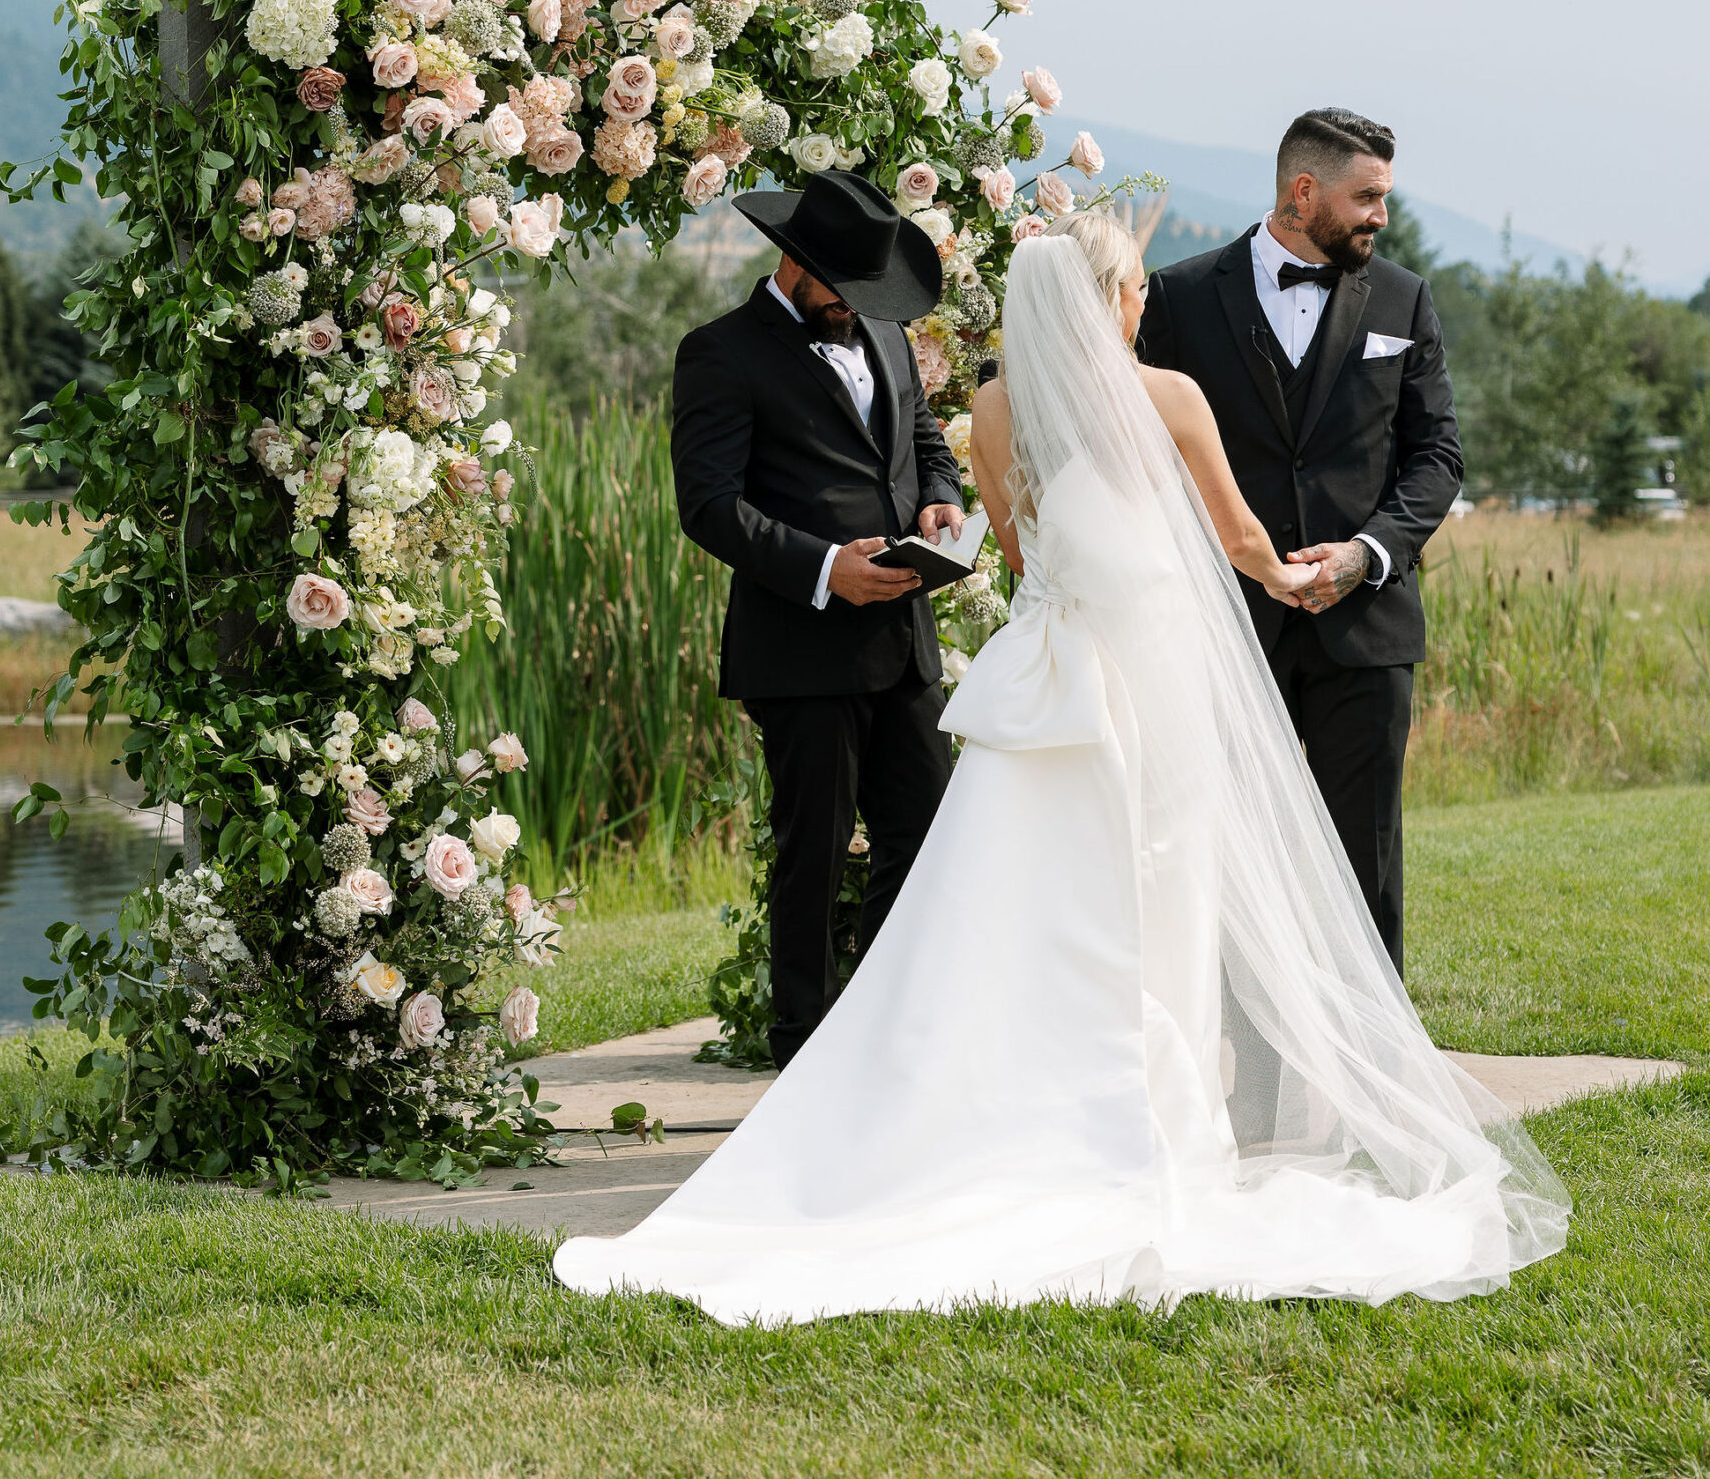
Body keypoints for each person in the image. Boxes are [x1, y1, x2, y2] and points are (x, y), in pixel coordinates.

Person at [553, 212, 1567, 1322]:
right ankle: (1150, 1130)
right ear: (1107, 296)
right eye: (1130, 285)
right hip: (1147, 682)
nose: (1141, 302)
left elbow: (1018, 547)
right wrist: (1301, 576)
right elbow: (1236, 540)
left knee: (1011, 906)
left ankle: (993, 1113)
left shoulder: (993, 406)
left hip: (1043, 680)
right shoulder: (1167, 396)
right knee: (1151, 899)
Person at [1137, 109, 1461, 975]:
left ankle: (1372, 1084)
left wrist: (1366, 554)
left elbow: (1436, 457)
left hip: (1367, 630)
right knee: (1233, 856)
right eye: (1367, 197)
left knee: (1367, 856)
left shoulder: (1404, 299)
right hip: (1229, 628)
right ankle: (1244, 1077)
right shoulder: (1176, 296)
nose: (1380, 217)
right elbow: (1143, 458)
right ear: (1302, 191)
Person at [667, 170, 966, 1069]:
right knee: (813, 852)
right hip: (798, 649)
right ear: (792, 262)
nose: (858, 305)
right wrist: (826, 569)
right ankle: (802, 1048)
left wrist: (940, 504)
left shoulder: (882, 330)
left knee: (925, 841)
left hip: (903, 642)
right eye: (842, 285)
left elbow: (921, 444)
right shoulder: (719, 352)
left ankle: (882, 1032)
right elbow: (708, 507)